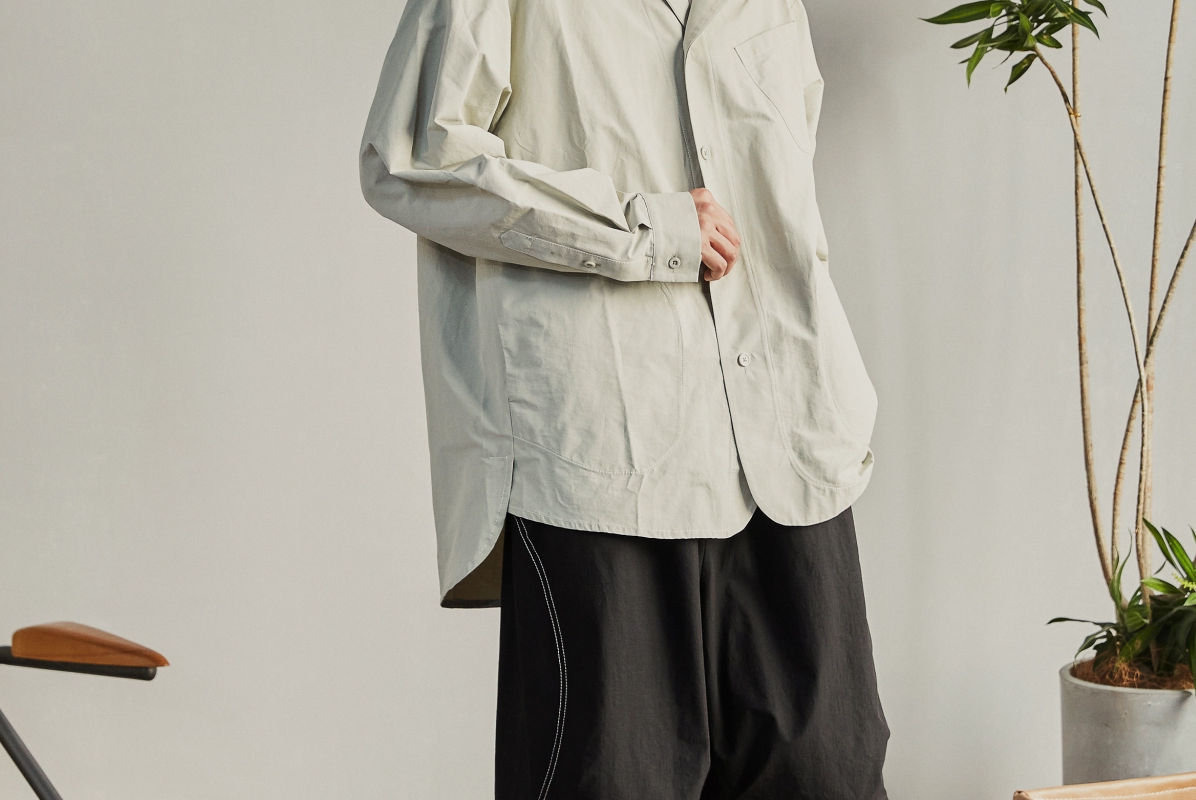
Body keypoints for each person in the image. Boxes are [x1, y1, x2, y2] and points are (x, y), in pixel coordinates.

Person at [360, 0, 889, 795]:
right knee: (611, 776)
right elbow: (409, 157)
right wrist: (638, 228)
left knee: (827, 774)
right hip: (605, 448)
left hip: (786, 437)